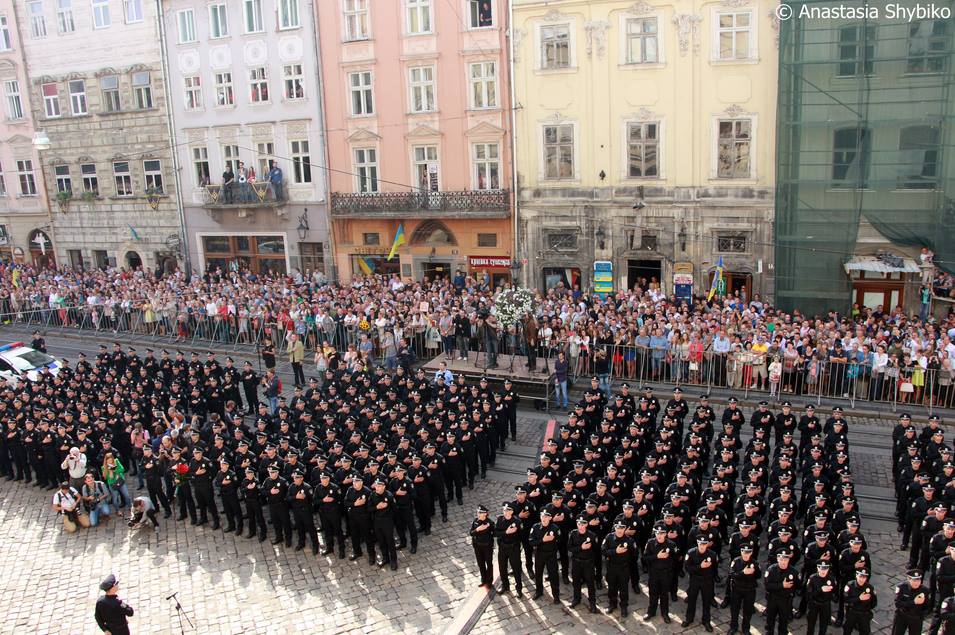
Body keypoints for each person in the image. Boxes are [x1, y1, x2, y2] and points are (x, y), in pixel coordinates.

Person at [602, 520, 636, 617]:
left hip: (623, 568)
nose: (620, 530)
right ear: (615, 527)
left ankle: (624, 606)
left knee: (624, 588)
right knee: (612, 587)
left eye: (622, 528)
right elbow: (603, 551)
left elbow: (635, 554)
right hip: (612, 567)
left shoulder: (629, 540)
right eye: (618, 528)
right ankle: (612, 604)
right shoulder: (609, 537)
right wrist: (615, 551)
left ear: (625, 528)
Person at [682, 535, 716, 631]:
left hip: (707, 581)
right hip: (695, 580)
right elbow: (688, 568)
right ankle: (689, 618)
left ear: (707, 544)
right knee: (691, 600)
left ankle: (706, 621)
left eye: (704, 544)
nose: (702, 546)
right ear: (697, 543)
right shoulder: (691, 553)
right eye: (700, 543)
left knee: (706, 602)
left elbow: (714, 570)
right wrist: (700, 566)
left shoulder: (712, 555)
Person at [643, 525, 676, 623]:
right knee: (653, 593)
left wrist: (670, 570)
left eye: (662, 533)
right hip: (654, 573)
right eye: (657, 533)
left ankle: (665, 613)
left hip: (666, 574)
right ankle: (651, 612)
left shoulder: (671, 544)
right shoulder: (650, 543)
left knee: (664, 594)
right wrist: (656, 556)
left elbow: (676, 559)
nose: (659, 535)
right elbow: (644, 558)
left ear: (665, 534)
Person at [764, 551, 800, 635]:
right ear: (777, 559)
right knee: (770, 619)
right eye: (781, 559)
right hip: (772, 599)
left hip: (785, 600)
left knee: (784, 621)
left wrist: (790, 590)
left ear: (788, 560)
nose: (783, 562)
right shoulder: (771, 570)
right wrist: (782, 585)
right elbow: (767, 586)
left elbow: (798, 586)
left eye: (785, 559)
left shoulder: (793, 572)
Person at [727, 545, 760, 635]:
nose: (746, 555)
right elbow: (732, 574)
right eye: (744, 552)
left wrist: (754, 571)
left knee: (748, 610)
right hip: (737, 589)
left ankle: (745, 628)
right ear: (741, 552)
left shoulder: (755, 563)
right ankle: (733, 627)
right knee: (734, 609)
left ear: (751, 553)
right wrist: (743, 573)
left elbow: (759, 576)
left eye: (748, 553)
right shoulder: (736, 561)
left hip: (750, 590)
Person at [568, 515, 598, 612]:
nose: (581, 526)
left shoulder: (592, 536)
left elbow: (596, 550)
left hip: (588, 563)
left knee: (590, 583)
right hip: (576, 562)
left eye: (583, 524)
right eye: (579, 524)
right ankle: (577, 599)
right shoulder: (573, 534)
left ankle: (592, 603)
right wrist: (581, 548)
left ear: (586, 524)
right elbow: (569, 548)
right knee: (576, 582)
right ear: (577, 524)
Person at [530, 508, 561, 603]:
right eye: (542, 516)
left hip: (551, 555)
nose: (544, 518)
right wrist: (543, 540)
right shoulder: (535, 527)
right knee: (538, 574)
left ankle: (556, 595)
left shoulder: (555, 528)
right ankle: (539, 591)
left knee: (554, 575)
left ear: (550, 518)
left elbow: (560, 541)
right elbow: (531, 542)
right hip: (539, 555)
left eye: (546, 516)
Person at [496, 502, 523, 596]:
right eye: (504, 510)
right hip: (503, 547)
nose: (505, 512)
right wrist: (506, 532)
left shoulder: (517, 521)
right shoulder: (500, 520)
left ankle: (519, 588)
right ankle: (505, 585)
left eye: (508, 510)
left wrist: (518, 547)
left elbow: (521, 535)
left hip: (513, 548)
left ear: (512, 511)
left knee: (516, 568)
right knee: (502, 568)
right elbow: (495, 533)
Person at [893, 569, 931, 635]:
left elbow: (927, 606)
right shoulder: (901, 587)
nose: (916, 583)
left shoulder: (925, 591)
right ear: (908, 579)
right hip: (902, 616)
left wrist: (920, 616)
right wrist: (913, 602)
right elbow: (897, 604)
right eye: (914, 580)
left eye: (918, 580)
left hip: (916, 618)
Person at [843, 569, 877, 635]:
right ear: (856, 575)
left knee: (865, 631)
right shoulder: (850, 585)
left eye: (864, 577)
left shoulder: (870, 588)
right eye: (860, 576)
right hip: (852, 612)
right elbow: (846, 599)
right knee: (847, 629)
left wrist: (866, 609)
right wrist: (859, 598)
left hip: (864, 614)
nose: (861, 579)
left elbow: (874, 603)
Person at [470, 505, 495, 588]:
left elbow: (494, 534)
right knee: (481, 564)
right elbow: (471, 533)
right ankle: (483, 579)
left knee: (489, 564)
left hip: (487, 547)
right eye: (478, 512)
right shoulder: (475, 521)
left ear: (485, 514)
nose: (478, 514)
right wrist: (478, 529)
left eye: (479, 513)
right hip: (477, 546)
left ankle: (489, 581)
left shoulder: (490, 523)